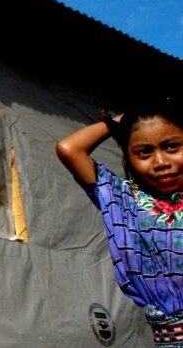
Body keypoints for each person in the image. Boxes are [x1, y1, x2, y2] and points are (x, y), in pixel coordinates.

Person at [56, 98, 183, 346]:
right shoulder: (124, 201)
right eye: (144, 152)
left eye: (171, 147)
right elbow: (69, 148)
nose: (160, 163)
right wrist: (121, 121)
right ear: (128, 156)